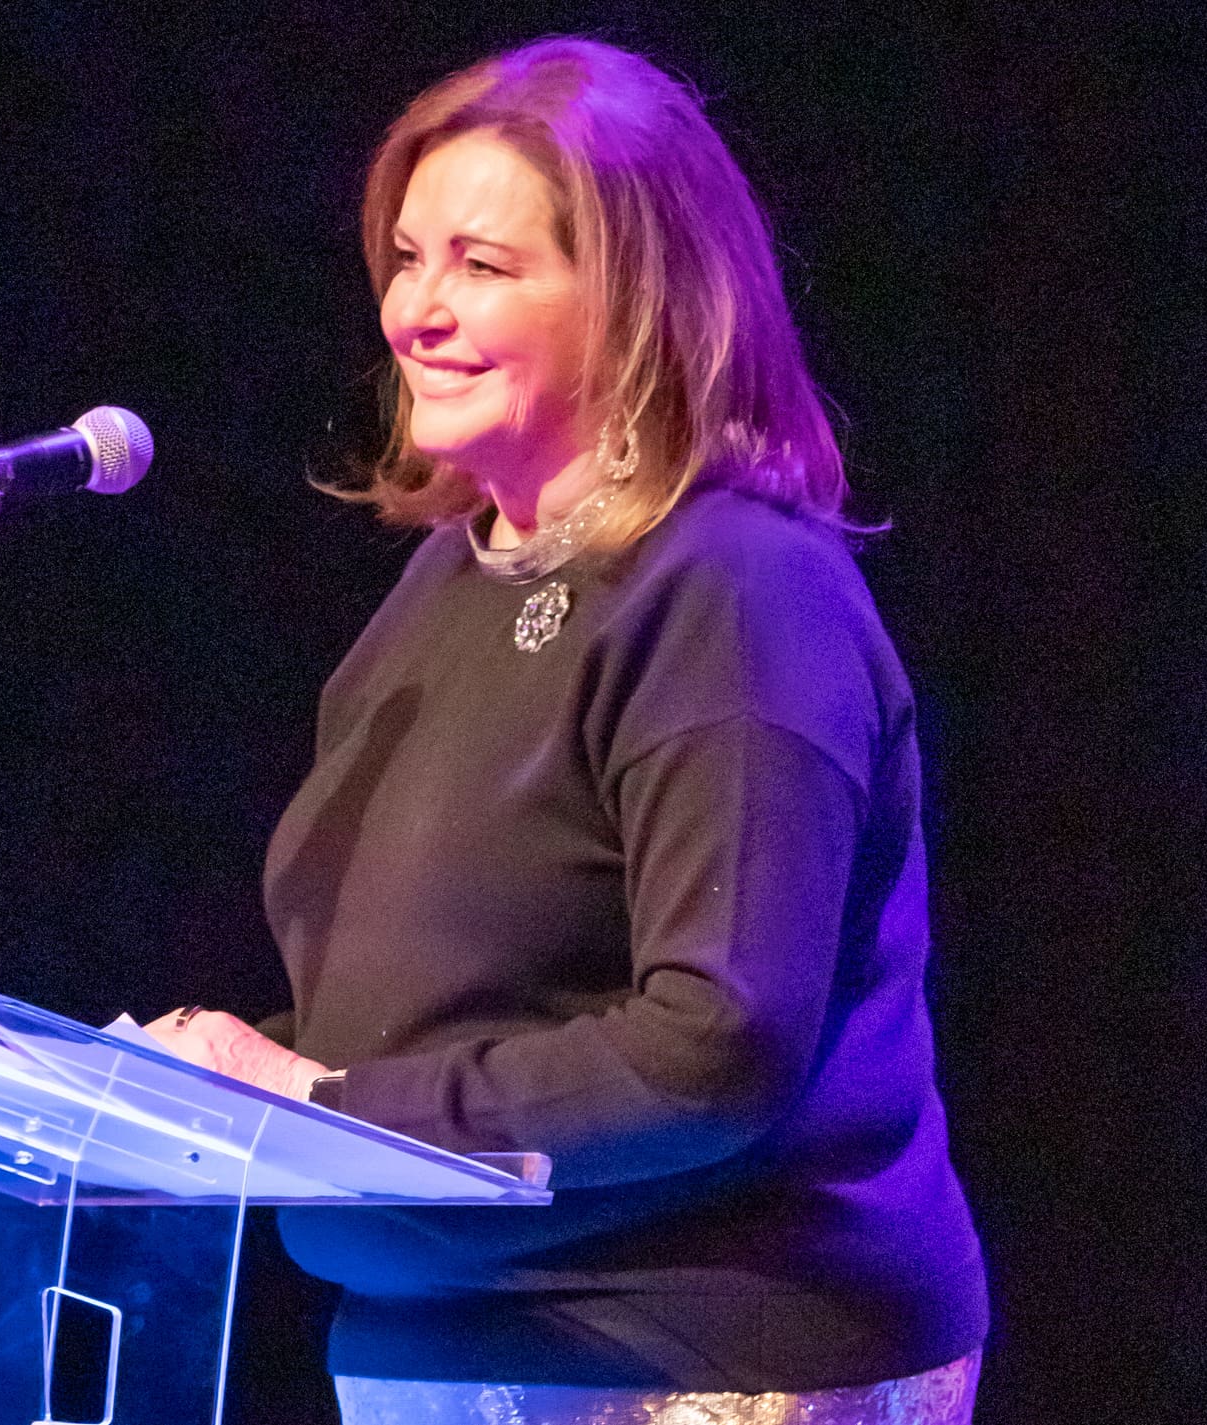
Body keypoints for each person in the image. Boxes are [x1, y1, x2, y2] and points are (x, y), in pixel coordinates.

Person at [147, 36, 987, 1425]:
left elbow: (715, 1043)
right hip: (434, 1343)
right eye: (406, 259)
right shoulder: (448, 580)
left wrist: (322, 1102)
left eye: (482, 265)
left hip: (696, 1357)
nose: (415, 312)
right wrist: (200, 1085)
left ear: (639, 302)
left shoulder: (733, 592)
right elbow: (445, 1009)